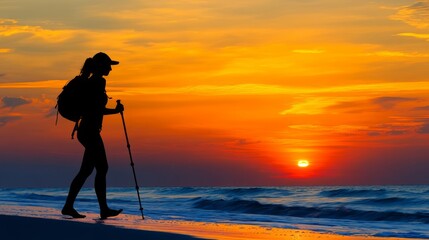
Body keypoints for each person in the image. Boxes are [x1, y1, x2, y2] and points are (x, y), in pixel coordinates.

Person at [62, 52, 124, 219]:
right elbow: (96, 109)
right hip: (89, 131)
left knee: (87, 170)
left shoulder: (92, 82)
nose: (110, 68)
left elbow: (93, 107)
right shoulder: (98, 81)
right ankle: (103, 209)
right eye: (108, 65)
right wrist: (116, 111)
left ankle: (69, 206)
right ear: (101, 66)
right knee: (102, 168)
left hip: (87, 131)